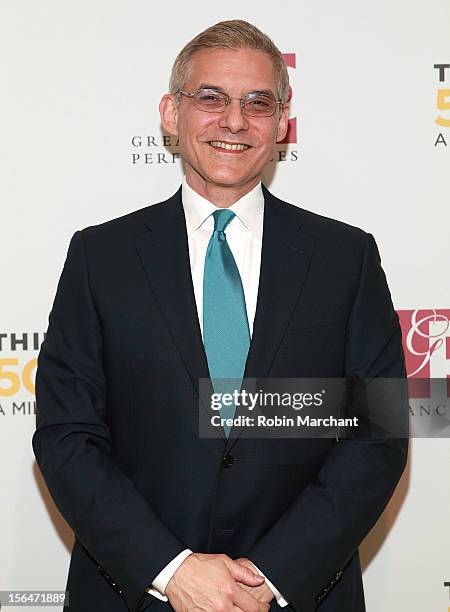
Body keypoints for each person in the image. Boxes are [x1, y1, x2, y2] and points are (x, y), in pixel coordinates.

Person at [33, 19, 408, 612]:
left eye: (258, 103)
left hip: (297, 595)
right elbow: (66, 436)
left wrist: (272, 576)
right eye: (211, 98)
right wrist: (172, 570)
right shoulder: (99, 257)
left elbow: (380, 433)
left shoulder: (348, 257)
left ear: (283, 123)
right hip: (137, 593)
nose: (235, 121)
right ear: (170, 112)